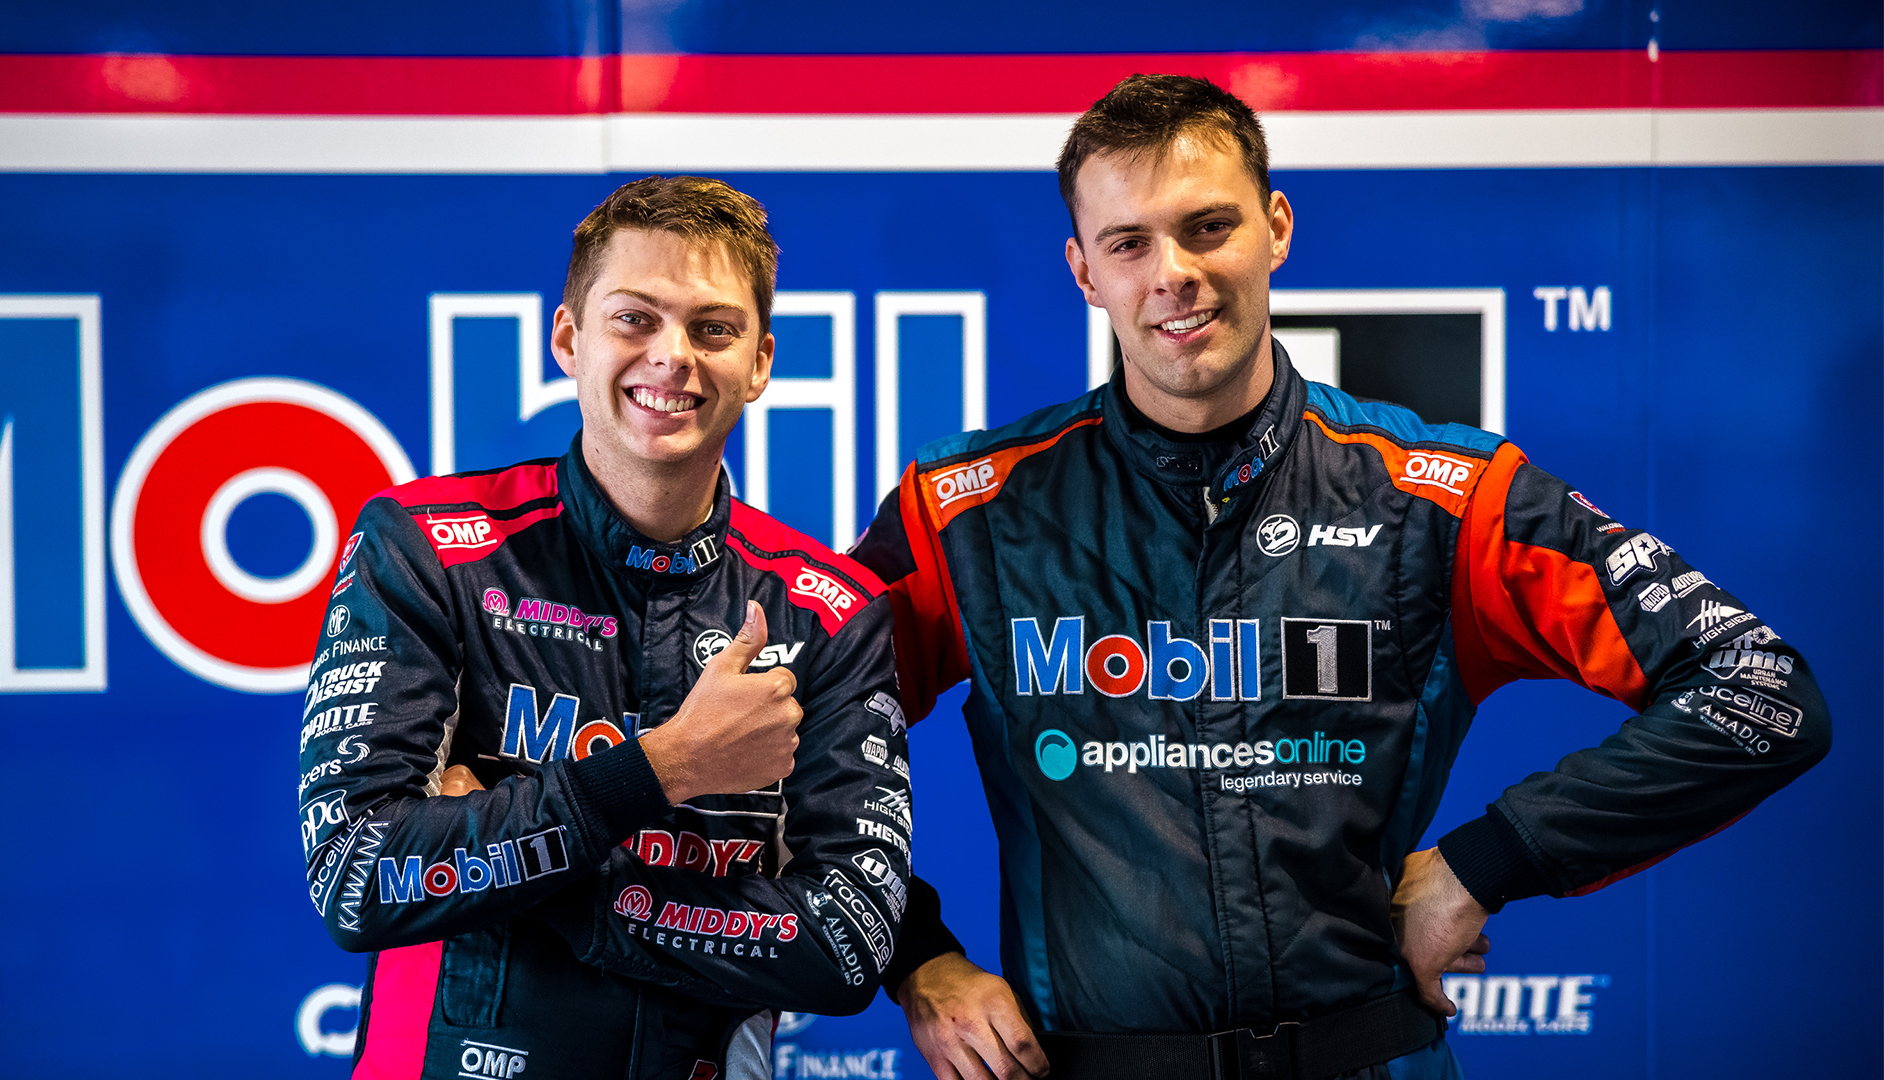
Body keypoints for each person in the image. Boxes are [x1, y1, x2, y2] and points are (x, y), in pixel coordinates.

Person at [851, 75, 1830, 1080]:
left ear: (1276, 228)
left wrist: (1485, 863)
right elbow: (785, 743)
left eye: (1209, 227)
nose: (1174, 274)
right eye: (1129, 243)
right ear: (1084, 272)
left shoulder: (1443, 500)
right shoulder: (966, 515)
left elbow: (1759, 688)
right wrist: (918, 955)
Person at [299, 175, 910, 1080]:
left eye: (713, 329)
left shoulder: (830, 610)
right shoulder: (428, 548)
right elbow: (358, 874)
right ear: (568, 339)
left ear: (760, 363)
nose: (672, 357)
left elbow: (848, 943)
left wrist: (548, 887)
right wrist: (666, 768)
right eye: (634, 319)